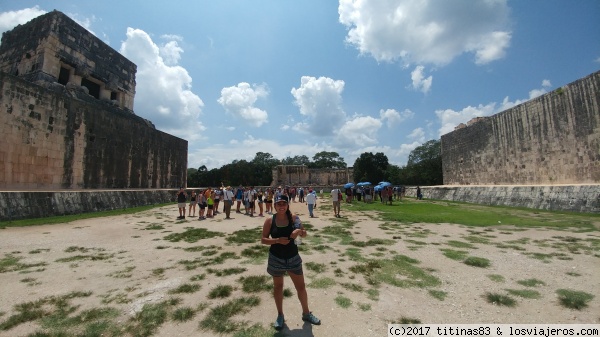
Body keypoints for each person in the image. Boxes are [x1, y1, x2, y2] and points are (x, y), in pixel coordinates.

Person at [261, 195, 321, 330]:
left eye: (284, 203)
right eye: (278, 204)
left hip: (293, 256)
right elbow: (263, 240)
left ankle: (306, 313)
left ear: (287, 205)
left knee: (301, 287)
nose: (281, 206)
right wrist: (277, 240)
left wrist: (299, 231)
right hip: (276, 258)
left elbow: (304, 234)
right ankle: (280, 315)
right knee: (278, 287)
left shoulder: (294, 218)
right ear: (275, 206)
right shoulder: (270, 221)